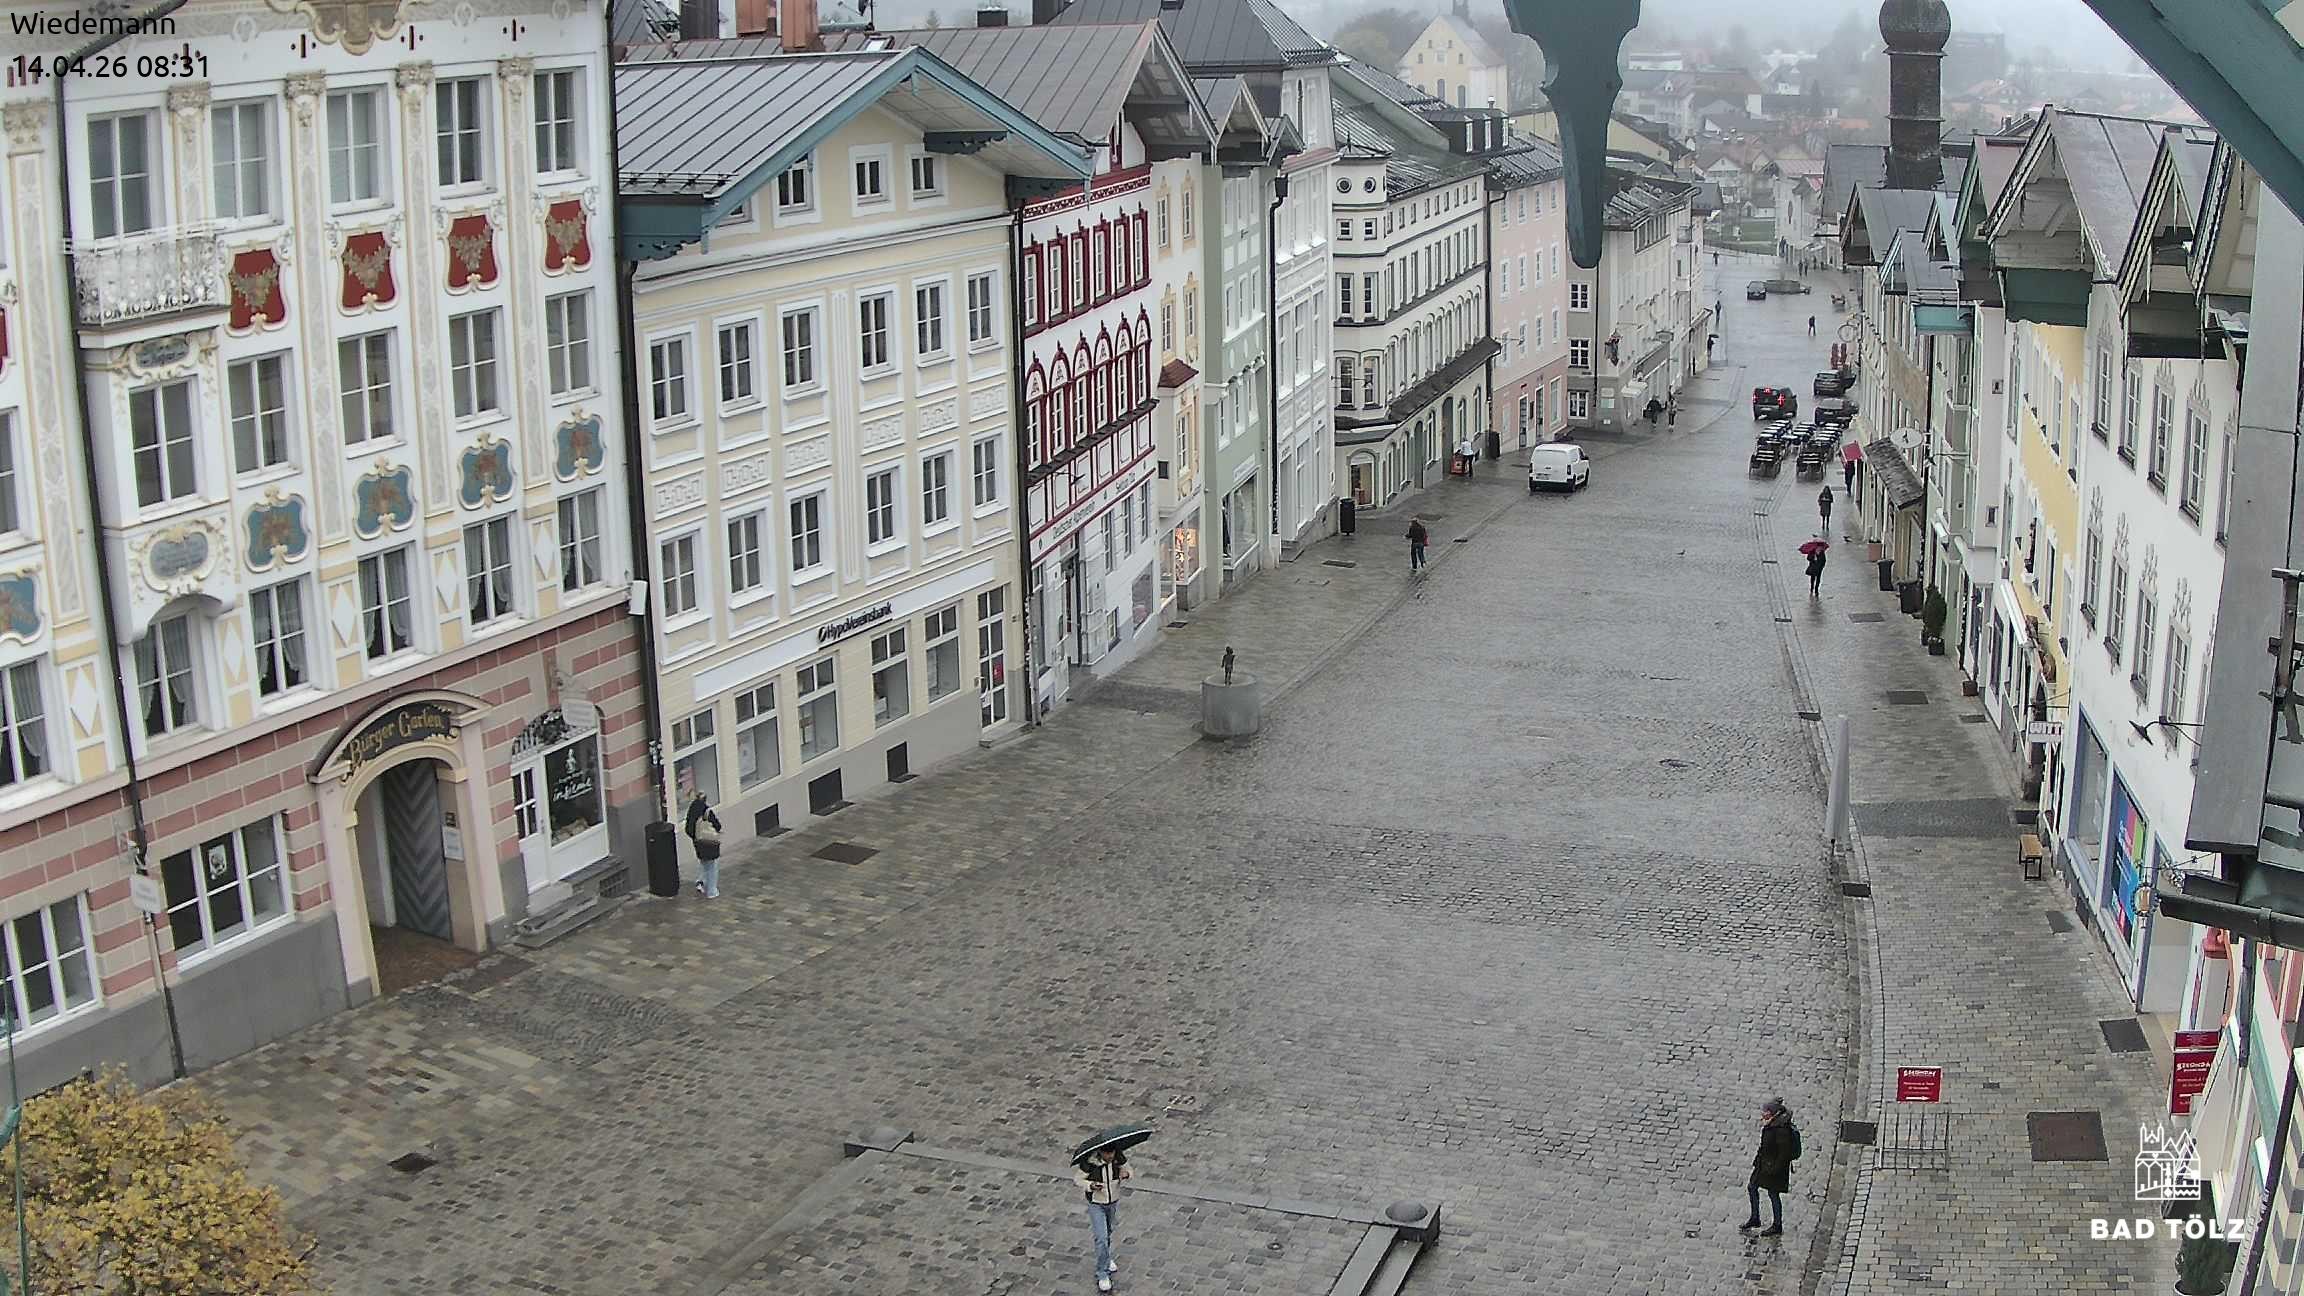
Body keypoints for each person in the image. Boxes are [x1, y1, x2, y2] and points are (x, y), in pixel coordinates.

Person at [1742, 1097, 1800, 1236]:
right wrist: (1758, 1160)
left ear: (1773, 1113)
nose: (1763, 1113)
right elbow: (1763, 1146)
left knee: (1773, 1194)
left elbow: (1784, 1153)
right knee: (1752, 1187)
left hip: (1775, 1168)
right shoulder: (1770, 1125)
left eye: (1766, 1111)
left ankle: (1777, 1225)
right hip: (1763, 1164)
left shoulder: (1781, 1130)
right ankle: (1755, 1218)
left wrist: (1775, 1168)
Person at [1075, 1147, 1131, 1291]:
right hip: (1096, 1203)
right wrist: (1091, 1185)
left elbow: (1129, 1169)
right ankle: (1102, 1272)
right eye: (1107, 1153)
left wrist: (1126, 1174)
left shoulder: (1118, 1158)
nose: (1110, 1156)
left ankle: (1106, 1258)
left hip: (1112, 1202)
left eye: (1111, 1152)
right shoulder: (1090, 1163)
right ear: (1100, 1152)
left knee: (1108, 1232)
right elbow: (1078, 1179)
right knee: (1101, 1237)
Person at [686, 792, 723, 898]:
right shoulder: (706, 810)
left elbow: (688, 829)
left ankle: (701, 882)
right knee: (712, 865)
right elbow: (717, 825)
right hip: (709, 842)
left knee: (703, 862)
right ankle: (712, 891)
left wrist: (695, 837)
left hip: (697, 842)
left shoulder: (691, 810)